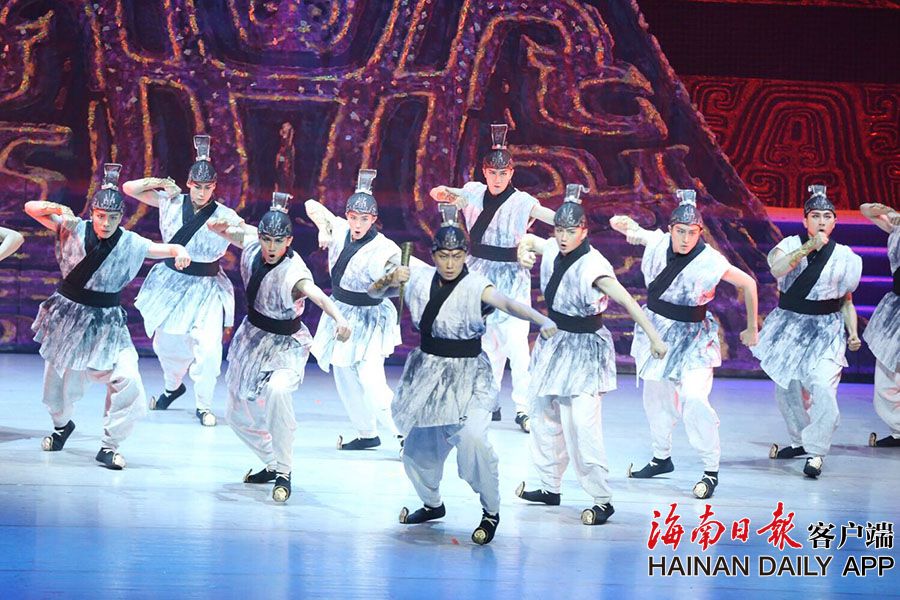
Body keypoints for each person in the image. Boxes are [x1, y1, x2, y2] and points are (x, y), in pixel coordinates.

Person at [370, 204, 557, 545]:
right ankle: (432, 504)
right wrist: (390, 278)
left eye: (457, 256)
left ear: (465, 256)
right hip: (428, 375)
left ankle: (491, 510)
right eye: (444, 256)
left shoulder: (476, 285)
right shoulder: (418, 277)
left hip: (470, 376)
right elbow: (373, 292)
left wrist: (541, 319)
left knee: (473, 441)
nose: (450, 263)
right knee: (416, 452)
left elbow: (508, 303)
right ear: (434, 255)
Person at [514, 184, 668, 524]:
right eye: (559, 229)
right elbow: (530, 241)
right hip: (555, 343)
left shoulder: (593, 265)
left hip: (585, 348)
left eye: (570, 231)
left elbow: (627, 300)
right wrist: (523, 250)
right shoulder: (553, 247)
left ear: (583, 231)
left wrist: (654, 337)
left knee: (581, 425)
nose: (563, 236)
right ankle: (550, 486)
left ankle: (602, 497)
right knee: (544, 415)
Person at [25, 164, 191, 469]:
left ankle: (109, 444)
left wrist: (179, 250)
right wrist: (59, 208)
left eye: (113, 217)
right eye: (101, 216)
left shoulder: (130, 242)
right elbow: (31, 208)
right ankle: (62, 426)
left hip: (108, 325)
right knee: (57, 389)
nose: (106, 223)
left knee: (129, 379)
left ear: (121, 217)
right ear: (93, 214)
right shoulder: (74, 228)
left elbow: (163, 249)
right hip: (69, 319)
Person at [609, 189, 759, 498]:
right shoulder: (658, 242)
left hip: (694, 338)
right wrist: (622, 224)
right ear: (671, 230)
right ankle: (661, 457)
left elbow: (748, 283)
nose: (686, 238)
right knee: (657, 400)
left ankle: (710, 468)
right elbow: (634, 231)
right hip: (658, 332)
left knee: (694, 399)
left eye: (692, 232)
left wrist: (751, 328)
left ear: (700, 232)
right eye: (680, 231)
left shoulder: (710, 260)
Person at [207, 192, 351, 503]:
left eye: (278, 241)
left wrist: (339, 318)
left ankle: (284, 470)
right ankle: (272, 462)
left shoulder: (293, 272)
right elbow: (236, 232)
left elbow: (316, 294)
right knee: (234, 414)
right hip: (252, 339)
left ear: (289, 241)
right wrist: (218, 226)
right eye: (267, 240)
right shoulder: (253, 246)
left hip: (286, 345)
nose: (271, 247)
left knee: (277, 391)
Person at [430, 124, 555, 432]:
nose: (497, 179)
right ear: (485, 172)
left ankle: (524, 408)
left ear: (511, 173)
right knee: (485, 343)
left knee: (517, 345)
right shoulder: (473, 192)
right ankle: (487, 401)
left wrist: (568, 221)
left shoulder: (522, 202)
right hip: (479, 275)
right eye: (492, 173)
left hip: (511, 277)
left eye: (503, 173)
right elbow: (442, 193)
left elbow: (548, 216)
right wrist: (444, 193)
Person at [124, 135, 244, 426]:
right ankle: (172, 387)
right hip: (172, 282)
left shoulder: (225, 215)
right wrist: (162, 182)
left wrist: (230, 232)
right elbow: (129, 188)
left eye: (207, 187)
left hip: (207, 286)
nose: (201, 192)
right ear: (188, 183)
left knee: (209, 349)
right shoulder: (171, 202)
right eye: (197, 186)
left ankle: (204, 404)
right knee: (167, 345)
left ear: (214, 187)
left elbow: (246, 239)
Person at [752, 185, 862, 478]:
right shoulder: (789, 245)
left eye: (827, 216)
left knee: (822, 387)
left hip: (826, 329)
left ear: (835, 221)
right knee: (787, 389)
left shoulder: (845, 257)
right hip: (789, 326)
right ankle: (801, 440)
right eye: (815, 216)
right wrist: (808, 247)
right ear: (805, 221)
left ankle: (816, 451)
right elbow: (777, 270)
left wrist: (852, 331)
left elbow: (846, 300)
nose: (821, 221)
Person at [306, 169, 403, 451]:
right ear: (347, 215)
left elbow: (392, 287)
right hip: (341, 311)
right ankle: (366, 432)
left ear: (373, 219)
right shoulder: (339, 229)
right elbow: (311, 205)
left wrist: (393, 279)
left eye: (364, 219)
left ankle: (405, 435)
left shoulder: (385, 248)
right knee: (344, 374)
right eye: (353, 217)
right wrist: (323, 228)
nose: (358, 224)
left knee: (372, 381)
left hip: (370, 316)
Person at [860, 202, 900, 447]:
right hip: (896, 308)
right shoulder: (896, 226)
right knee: (887, 377)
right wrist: (889, 212)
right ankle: (898, 430)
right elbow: (866, 209)